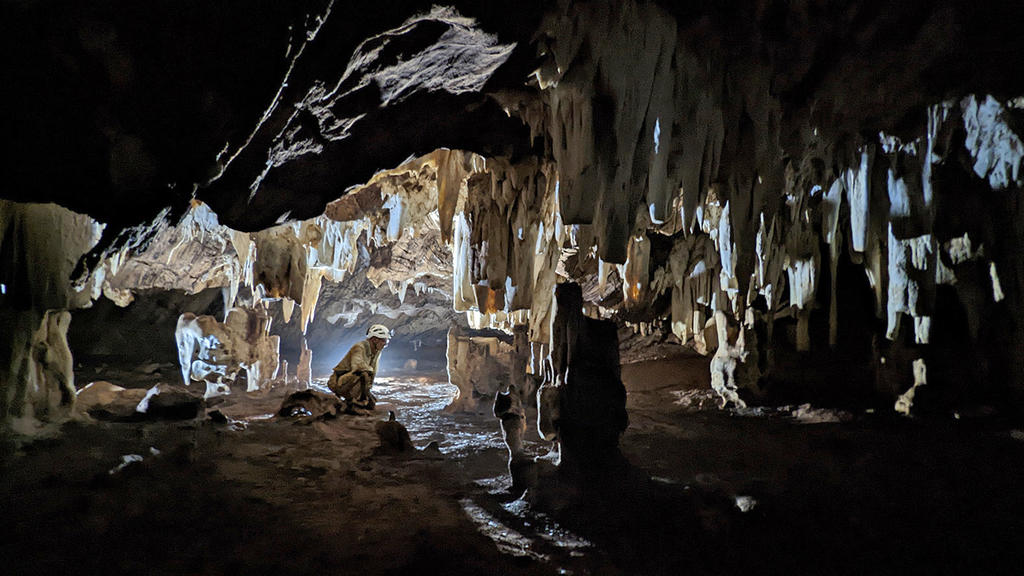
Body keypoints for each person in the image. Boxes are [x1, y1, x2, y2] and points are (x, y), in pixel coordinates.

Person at [328, 324, 390, 409]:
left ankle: (359, 399)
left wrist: (368, 393)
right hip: (338, 382)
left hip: (352, 379)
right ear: (375, 339)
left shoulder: (377, 351)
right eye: (384, 341)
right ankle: (353, 401)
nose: (385, 344)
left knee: (367, 375)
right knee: (364, 373)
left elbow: (373, 372)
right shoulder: (359, 347)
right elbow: (358, 367)